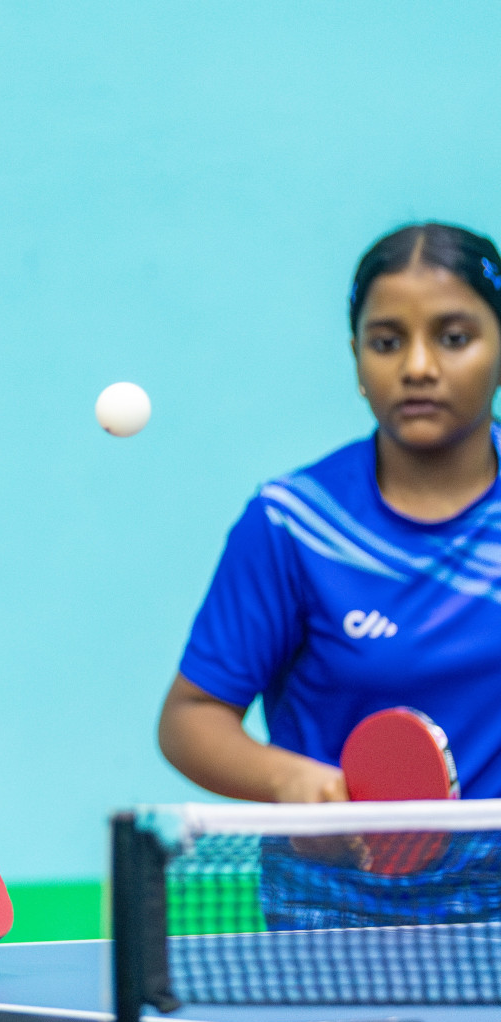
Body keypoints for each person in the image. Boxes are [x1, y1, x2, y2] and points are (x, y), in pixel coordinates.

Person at [158, 223, 501, 927]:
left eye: (454, 337)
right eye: (386, 341)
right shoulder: (294, 522)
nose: (418, 366)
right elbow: (190, 720)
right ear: (355, 358)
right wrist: (290, 779)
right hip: (331, 911)